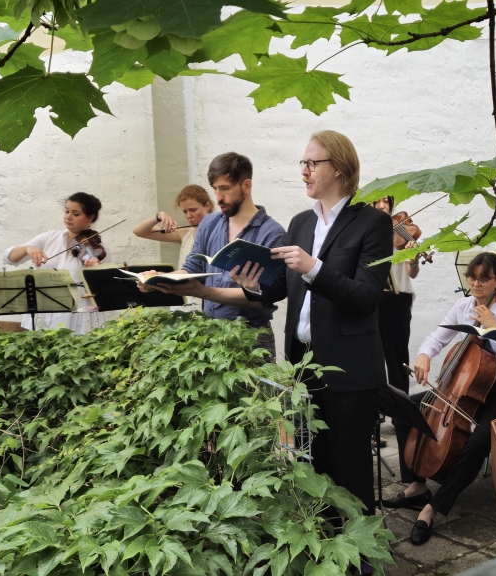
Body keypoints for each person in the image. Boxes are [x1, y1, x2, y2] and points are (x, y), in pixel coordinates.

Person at [230, 131, 393, 517]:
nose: (303, 171)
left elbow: (367, 298)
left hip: (350, 370)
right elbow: (283, 289)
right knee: (312, 468)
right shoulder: (301, 222)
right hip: (303, 366)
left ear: (337, 168)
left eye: (311, 164)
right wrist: (254, 285)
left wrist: (313, 267)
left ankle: (360, 561)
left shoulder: (372, 223)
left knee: (350, 471)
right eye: (302, 164)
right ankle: (325, 550)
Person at [385, 252, 496, 545]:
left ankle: (432, 507)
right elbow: (437, 337)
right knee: (403, 409)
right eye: (472, 277)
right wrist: (425, 355)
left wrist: (493, 326)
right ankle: (416, 484)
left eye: (484, 278)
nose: (476, 284)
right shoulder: (463, 305)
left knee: (477, 445)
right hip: (461, 388)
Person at [143, 153, 286, 355]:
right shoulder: (209, 223)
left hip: (251, 339)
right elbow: (191, 269)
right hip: (208, 334)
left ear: (246, 185)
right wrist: (157, 279)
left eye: (225, 188)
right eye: (215, 189)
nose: (218, 197)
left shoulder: (271, 233)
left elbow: (262, 296)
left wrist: (202, 292)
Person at [3, 192, 109, 334]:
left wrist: (94, 273)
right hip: (44, 312)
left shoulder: (97, 248)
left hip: (78, 318)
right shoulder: (50, 237)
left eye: (76, 214)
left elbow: (105, 289)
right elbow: (9, 257)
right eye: (67, 211)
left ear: (90, 217)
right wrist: (28, 248)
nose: (68, 217)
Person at [372, 195, 421, 447]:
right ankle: (373, 427)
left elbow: (412, 272)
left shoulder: (403, 230)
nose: (382, 206)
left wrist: (413, 257)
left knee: (398, 363)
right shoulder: (368, 232)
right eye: (376, 203)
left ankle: (404, 423)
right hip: (372, 302)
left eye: (386, 202)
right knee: (371, 365)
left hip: (398, 303)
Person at [132, 184, 214, 309]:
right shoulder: (185, 233)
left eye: (193, 210)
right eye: (185, 211)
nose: (188, 216)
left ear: (207, 206)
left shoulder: (217, 232)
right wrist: (159, 216)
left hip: (206, 299)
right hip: (183, 299)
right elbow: (139, 231)